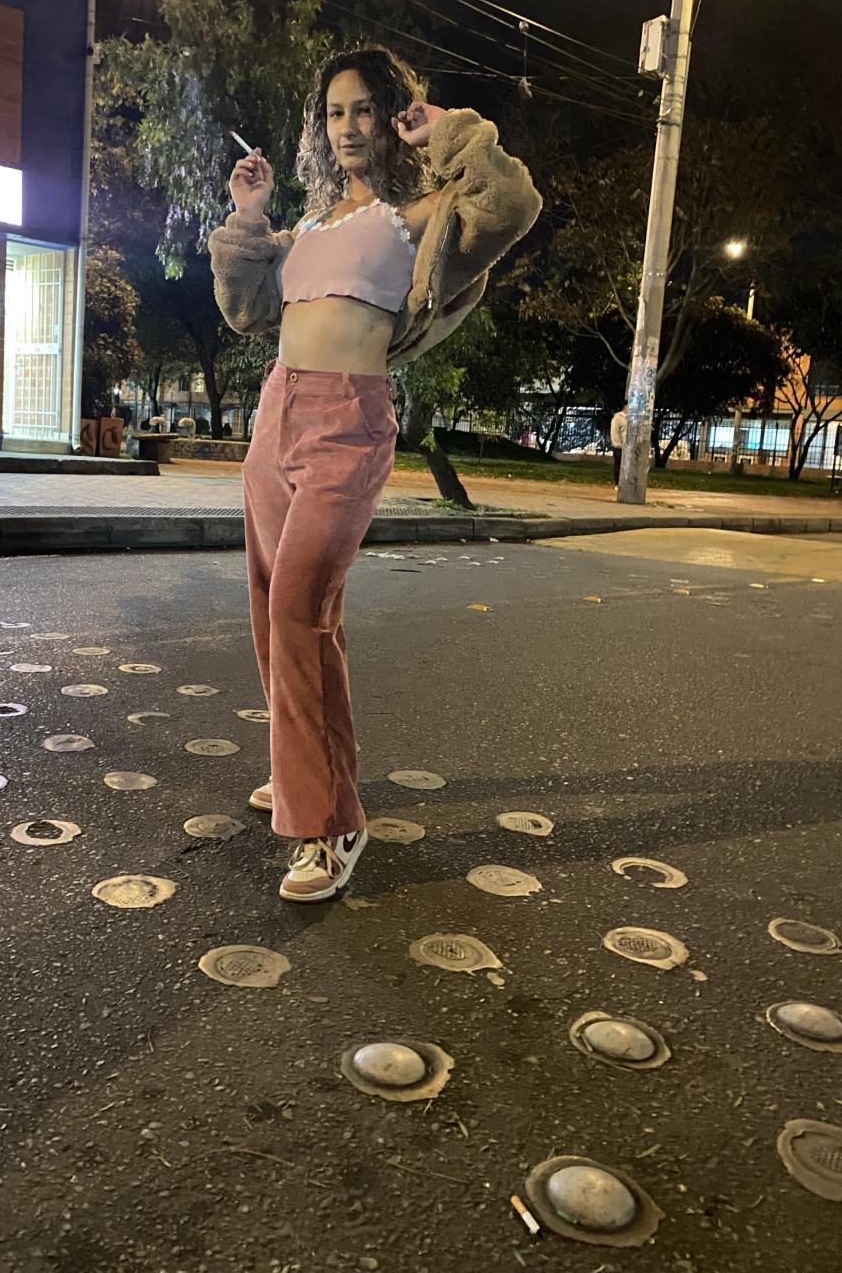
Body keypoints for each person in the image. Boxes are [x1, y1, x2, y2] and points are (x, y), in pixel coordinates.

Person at [208, 46, 541, 903]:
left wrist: (450, 133)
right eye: (333, 113)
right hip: (276, 417)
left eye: (363, 109)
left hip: (347, 424)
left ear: (391, 114)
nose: (347, 127)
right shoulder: (314, 226)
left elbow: (512, 205)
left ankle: (331, 824)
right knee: (273, 607)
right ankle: (301, 770)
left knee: (300, 610)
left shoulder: (420, 213)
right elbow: (247, 308)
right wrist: (249, 216)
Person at [610, 402, 628, 488]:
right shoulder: (618, 418)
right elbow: (615, 432)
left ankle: (626, 483)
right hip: (620, 447)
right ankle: (617, 483)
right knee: (619, 465)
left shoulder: (631, 418)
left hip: (629, 447)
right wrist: (618, 444)